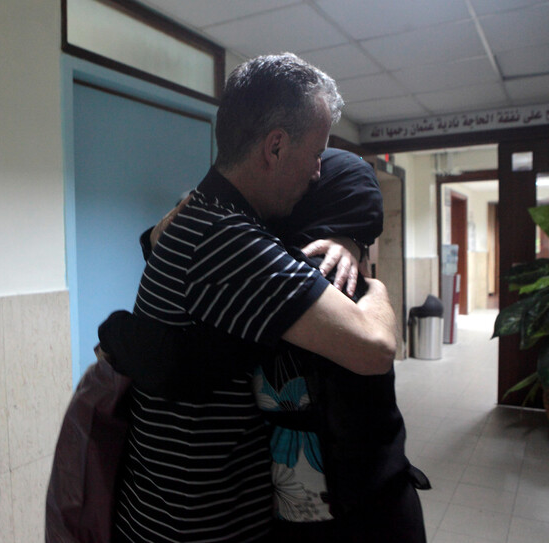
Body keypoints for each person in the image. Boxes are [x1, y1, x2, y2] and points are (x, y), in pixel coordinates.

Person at [108, 53, 397, 543]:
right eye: (315, 154)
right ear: (276, 147)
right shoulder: (227, 242)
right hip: (193, 528)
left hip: (176, 513)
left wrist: (350, 238)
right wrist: (375, 284)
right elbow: (374, 347)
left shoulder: (199, 216)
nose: (317, 174)